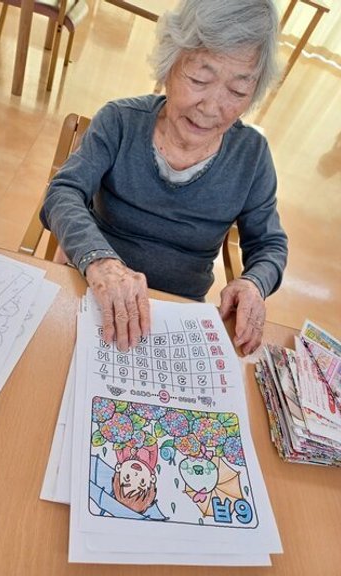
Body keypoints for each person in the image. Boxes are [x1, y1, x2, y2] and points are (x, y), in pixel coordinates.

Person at [40, 0, 288, 355]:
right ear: (169, 64)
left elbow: (269, 245)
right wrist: (99, 261)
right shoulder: (120, 121)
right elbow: (63, 192)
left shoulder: (252, 156)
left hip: (176, 316)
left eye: (237, 92)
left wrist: (254, 283)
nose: (211, 108)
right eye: (199, 79)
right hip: (93, 290)